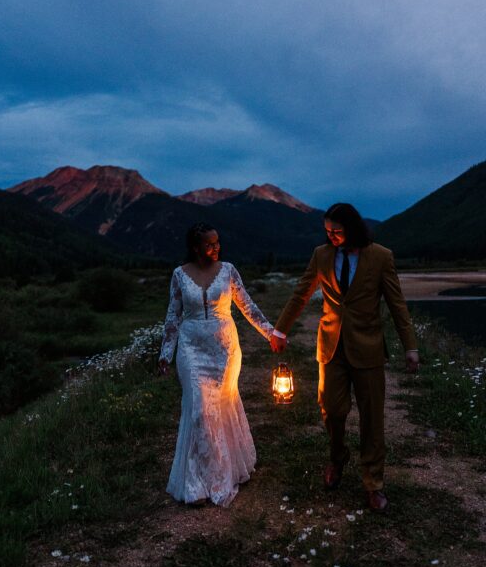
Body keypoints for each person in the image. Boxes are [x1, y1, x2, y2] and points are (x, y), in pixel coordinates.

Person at [270, 202, 418, 512]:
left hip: (368, 348)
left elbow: (397, 304)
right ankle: (338, 457)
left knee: (372, 419)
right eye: (327, 231)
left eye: (336, 231)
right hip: (331, 347)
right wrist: (280, 330)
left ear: (352, 228)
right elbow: (301, 292)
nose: (331, 236)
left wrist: (410, 346)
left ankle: (373, 484)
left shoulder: (381, 257)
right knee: (332, 410)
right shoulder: (321, 255)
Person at [158, 223, 276, 507]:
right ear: (196, 247)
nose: (216, 248)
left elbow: (247, 305)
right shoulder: (179, 274)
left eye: (217, 243)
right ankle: (197, 483)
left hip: (224, 348)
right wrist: (166, 353)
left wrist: (271, 333)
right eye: (209, 244)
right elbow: (173, 316)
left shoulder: (228, 270)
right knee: (199, 407)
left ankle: (225, 472)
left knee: (222, 406)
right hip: (191, 347)